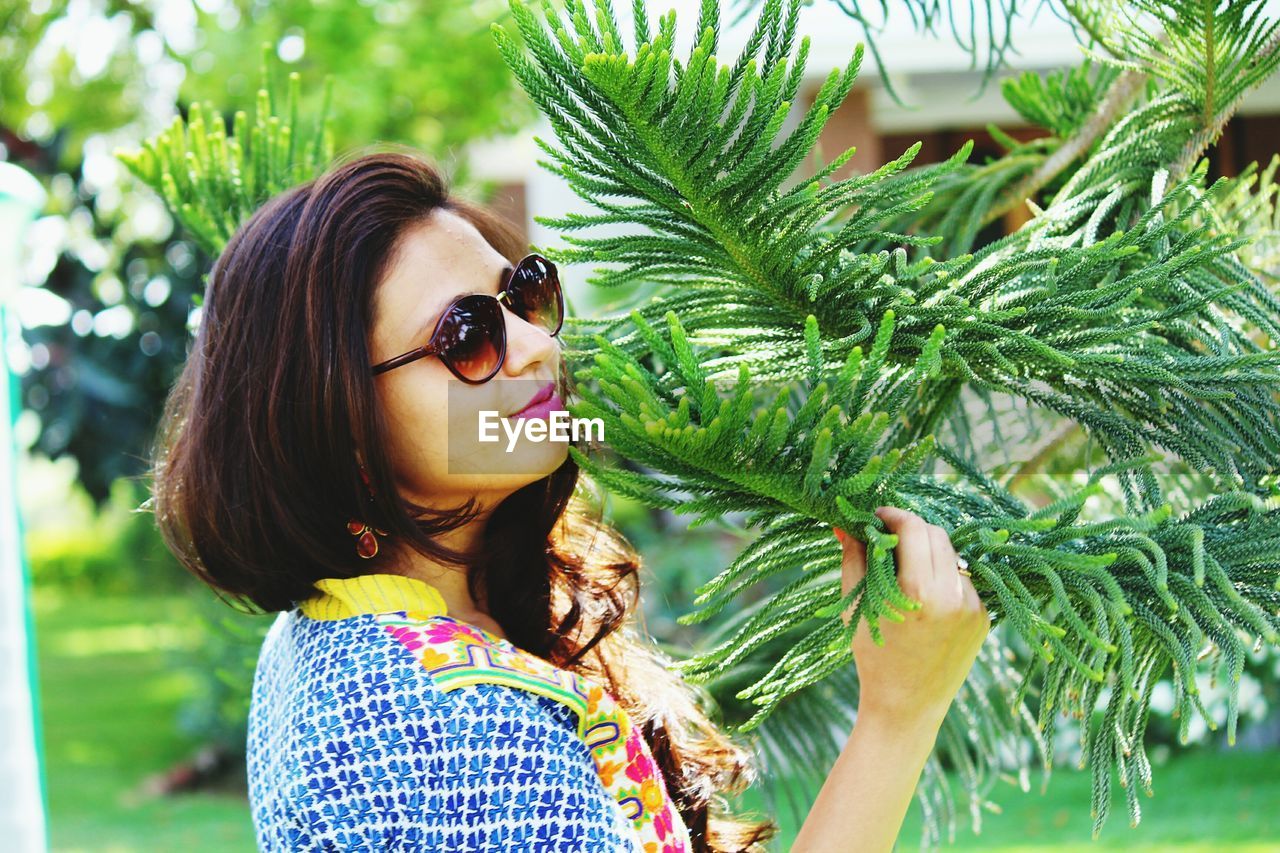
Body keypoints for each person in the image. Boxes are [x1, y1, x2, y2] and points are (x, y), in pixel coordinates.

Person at [150, 145, 990, 852]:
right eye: (465, 337)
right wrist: (898, 711)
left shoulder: (325, 633)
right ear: (341, 430)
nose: (533, 344)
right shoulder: (472, 726)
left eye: (522, 295)